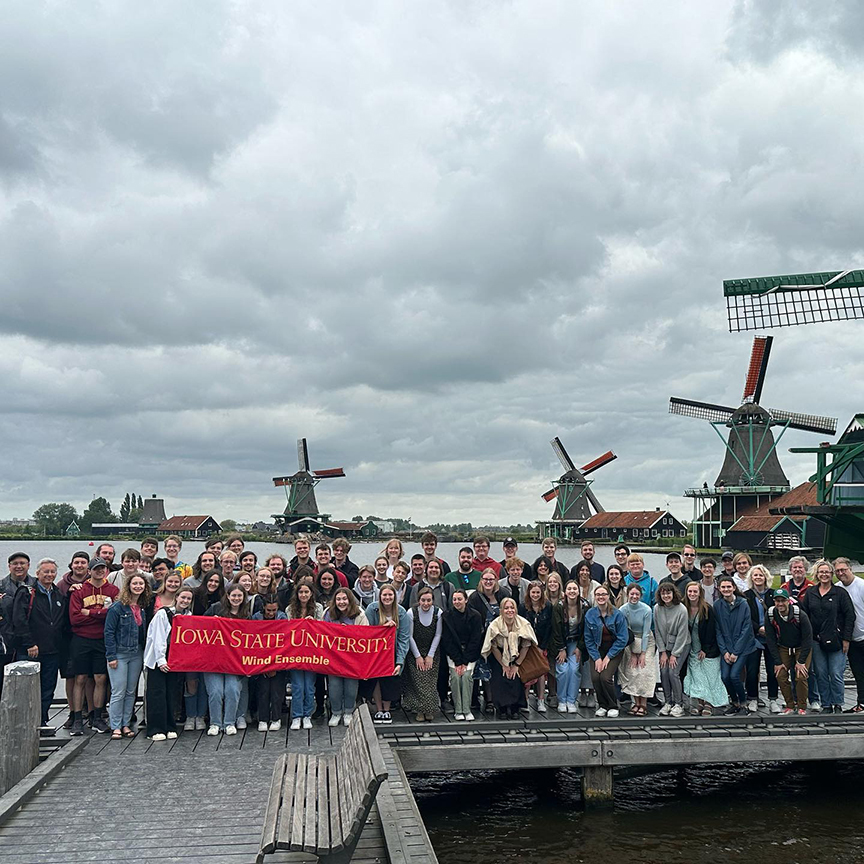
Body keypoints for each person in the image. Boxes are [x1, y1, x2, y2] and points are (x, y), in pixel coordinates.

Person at [12, 558, 66, 728]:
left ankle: (42, 720)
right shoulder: (27, 592)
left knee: (48, 688)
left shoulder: (58, 593)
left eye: (52, 572)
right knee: (28, 689)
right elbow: (19, 620)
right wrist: (29, 643)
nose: (49, 575)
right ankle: (26, 723)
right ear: (37, 573)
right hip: (31, 650)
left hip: (52, 650)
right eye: (46, 572)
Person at [68, 558, 119, 735]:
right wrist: (102, 615)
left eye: (102, 568)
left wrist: (91, 612)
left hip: (102, 639)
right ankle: (77, 718)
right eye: (95, 568)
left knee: (100, 678)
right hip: (81, 639)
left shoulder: (113, 590)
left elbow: (113, 614)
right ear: (89, 571)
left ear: (106, 570)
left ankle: (97, 717)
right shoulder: (80, 590)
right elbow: (75, 618)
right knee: (80, 678)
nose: (99, 571)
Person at [800, 559, 854, 714]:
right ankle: (826, 704)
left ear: (832, 574)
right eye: (821, 572)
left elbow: (850, 616)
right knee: (821, 673)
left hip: (837, 640)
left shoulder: (840, 593)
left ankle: (838, 703)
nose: (824, 574)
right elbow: (805, 616)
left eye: (827, 572)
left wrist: (846, 638)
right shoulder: (810, 593)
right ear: (817, 574)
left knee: (836, 673)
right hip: (816, 640)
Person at [104, 573, 152, 739]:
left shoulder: (142, 608)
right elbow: (108, 632)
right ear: (128, 586)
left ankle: (126, 724)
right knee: (118, 691)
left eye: (141, 584)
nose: (138, 586)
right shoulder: (117, 607)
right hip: (119, 653)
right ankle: (115, 726)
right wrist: (111, 656)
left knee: (131, 691)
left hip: (137, 653)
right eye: (135, 583)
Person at [144, 585, 194, 740]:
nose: (185, 601)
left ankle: (169, 726)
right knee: (157, 694)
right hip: (158, 659)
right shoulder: (163, 614)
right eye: (183, 597)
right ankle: (155, 729)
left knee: (172, 694)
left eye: (188, 598)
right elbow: (158, 638)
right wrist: (161, 660)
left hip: (175, 659)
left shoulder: (189, 615)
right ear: (176, 597)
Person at [203, 583, 249, 735]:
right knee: (215, 692)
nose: (236, 598)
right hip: (213, 660)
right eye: (233, 595)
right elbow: (198, 627)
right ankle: (215, 723)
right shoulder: (215, 609)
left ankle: (229, 722)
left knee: (233, 690)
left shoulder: (246, 615)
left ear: (243, 598)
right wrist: (211, 623)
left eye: (239, 596)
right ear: (228, 596)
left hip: (233, 662)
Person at [481, 597, 537, 719]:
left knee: (515, 678)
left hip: (518, 654)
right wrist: (504, 665)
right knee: (500, 676)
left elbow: (526, 645)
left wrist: (516, 665)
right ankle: (502, 708)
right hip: (499, 655)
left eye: (512, 608)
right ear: (501, 610)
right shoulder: (495, 625)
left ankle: (515, 708)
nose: (509, 610)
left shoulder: (523, 624)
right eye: (506, 608)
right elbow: (493, 647)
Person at [365, 584, 410, 724]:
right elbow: (367, 632)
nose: (387, 597)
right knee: (376, 680)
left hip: (393, 653)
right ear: (380, 596)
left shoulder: (401, 612)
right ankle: (379, 710)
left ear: (395, 597)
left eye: (390, 595)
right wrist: (382, 627)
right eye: (384, 595)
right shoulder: (372, 609)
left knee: (389, 681)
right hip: (375, 653)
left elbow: (404, 638)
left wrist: (399, 661)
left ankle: (387, 710)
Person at [323, 588, 368, 726]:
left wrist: (349, 632)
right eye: (338, 599)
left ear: (349, 600)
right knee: (334, 686)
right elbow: (321, 632)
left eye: (344, 599)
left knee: (351, 686)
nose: (341, 602)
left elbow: (366, 634)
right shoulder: (327, 613)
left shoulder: (360, 614)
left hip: (352, 658)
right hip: (333, 657)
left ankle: (349, 712)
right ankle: (336, 712)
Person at [765, 588, 813, 715]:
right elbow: (770, 639)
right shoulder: (770, 614)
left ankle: (802, 706)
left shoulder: (800, 615)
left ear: (788, 601)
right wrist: (777, 661)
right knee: (780, 675)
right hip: (784, 647)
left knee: (801, 675)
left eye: (783, 601)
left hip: (801, 647)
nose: (780, 604)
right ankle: (790, 705)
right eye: (777, 601)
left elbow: (808, 639)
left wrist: (801, 661)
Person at [714, 576, 757, 715]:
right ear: (719, 589)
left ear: (733, 587)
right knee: (725, 677)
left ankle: (743, 704)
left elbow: (746, 629)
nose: (726, 589)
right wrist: (724, 651)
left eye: (728, 587)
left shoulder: (743, 604)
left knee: (734, 676)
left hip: (743, 648)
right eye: (723, 587)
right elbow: (718, 630)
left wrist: (736, 652)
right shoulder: (717, 605)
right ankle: (735, 702)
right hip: (726, 648)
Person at [583, 586, 628, 718]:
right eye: (598, 595)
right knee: (596, 677)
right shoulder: (590, 614)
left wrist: (608, 657)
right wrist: (597, 658)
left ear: (608, 596)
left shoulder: (618, 614)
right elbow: (588, 639)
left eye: (603, 594)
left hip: (614, 649)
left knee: (605, 677)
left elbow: (622, 639)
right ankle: (602, 705)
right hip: (597, 649)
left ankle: (613, 705)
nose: (601, 597)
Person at [682, 582, 726, 716]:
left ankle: (709, 703)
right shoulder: (684, 607)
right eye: (690, 592)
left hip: (708, 648)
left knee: (710, 676)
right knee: (697, 677)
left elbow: (712, 631)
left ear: (700, 593)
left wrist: (705, 649)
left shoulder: (707, 609)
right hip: (692, 647)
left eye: (695, 592)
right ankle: (700, 701)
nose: (692, 594)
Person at [468, 569, 508, 713]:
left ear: (496, 580)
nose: (488, 582)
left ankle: (496, 700)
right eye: (485, 579)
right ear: (481, 580)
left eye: (491, 579)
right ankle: (479, 700)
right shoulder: (474, 597)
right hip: (481, 639)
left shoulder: (504, 594)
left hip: (500, 640)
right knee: (481, 670)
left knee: (496, 670)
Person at [286, 581, 324, 730]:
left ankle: (307, 714)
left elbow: (323, 628)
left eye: (306, 592)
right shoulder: (290, 609)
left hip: (312, 653)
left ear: (311, 594)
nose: (303, 595)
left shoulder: (318, 608)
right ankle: (296, 716)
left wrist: (312, 623)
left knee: (309, 686)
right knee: (297, 686)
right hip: (295, 653)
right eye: (301, 592)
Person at [441, 588, 483, 721]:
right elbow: (447, 641)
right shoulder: (446, 616)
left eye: (460, 599)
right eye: (454, 599)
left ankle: (467, 709)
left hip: (470, 653)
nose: (457, 602)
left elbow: (476, 640)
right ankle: (458, 710)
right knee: (455, 677)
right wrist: (458, 661)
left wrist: (465, 661)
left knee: (466, 677)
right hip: (454, 654)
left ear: (466, 600)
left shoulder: (475, 616)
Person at [744, 564, 780, 714]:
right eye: (755, 575)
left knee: (773, 671)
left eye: (760, 575)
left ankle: (773, 699)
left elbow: (779, 613)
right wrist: (758, 628)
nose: (758, 578)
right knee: (752, 671)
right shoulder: (746, 595)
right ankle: (752, 698)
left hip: (771, 638)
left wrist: (768, 628)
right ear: (751, 578)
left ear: (765, 577)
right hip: (754, 637)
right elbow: (745, 617)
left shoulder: (773, 594)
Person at [403, 587, 442, 722]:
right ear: (418, 600)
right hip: (415, 651)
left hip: (432, 651)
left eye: (429, 600)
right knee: (418, 682)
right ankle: (419, 710)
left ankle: (429, 709)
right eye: (423, 600)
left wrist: (430, 655)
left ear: (433, 601)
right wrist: (418, 656)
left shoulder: (438, 613)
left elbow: (438, 635)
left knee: (430, 682)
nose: (426, 603)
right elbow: (409, 636)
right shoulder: (411, 613)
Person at [549, 580, 588, 713]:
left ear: (578, 591)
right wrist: (561, 649)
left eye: (574, 589)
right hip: (561, 643)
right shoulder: (559, 607)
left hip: (576, 642)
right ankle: (562, 700)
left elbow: (586, 630)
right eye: (569, 589)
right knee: (562, 669)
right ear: (565, 592)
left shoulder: (584, 606)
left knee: (574, 669)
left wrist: (580, 647)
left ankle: (571, 700)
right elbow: (556, 630)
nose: (572, 591)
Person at [618, 584, 656, 716]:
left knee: (644, 670)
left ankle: (643, 704)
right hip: (630, 640)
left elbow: (646, 632)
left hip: (646, 640)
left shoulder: (646, 609)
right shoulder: (623, 609)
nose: (634, 597)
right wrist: (633, 653)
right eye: (631, 594)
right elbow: (626, 631)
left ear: (640, 596)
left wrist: (643, 653)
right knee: (632, 671)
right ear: (627, 594)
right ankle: (635, 702)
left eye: (637, 594)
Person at [251, 595, 288, 732]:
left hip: (279, 659)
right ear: (263, 609)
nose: (271, 613)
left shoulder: (282, 618)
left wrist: (275, 665)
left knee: (277, 692)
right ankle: (263, 718)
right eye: (268, 611)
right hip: (261, 660)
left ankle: (276, 718)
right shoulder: (255, 618)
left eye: (274, 610)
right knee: (263, 691)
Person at [654, 583, 690, 717]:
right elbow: (657, 631)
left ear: (673, 594)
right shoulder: (657, 608)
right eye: (663, 593)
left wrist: (675, 654)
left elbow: (682, 634)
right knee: (663, 671)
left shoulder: (682, 609)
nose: (666, 596)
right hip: (665, 646)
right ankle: (668, 702)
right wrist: (662, 652)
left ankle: (679, 703)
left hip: (682, 645)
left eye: (668, 593)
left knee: (673, 672)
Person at [0, 552, 35, 686]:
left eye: (22, 563)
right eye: (15, 564)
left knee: (27, 684)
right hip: (6, 641)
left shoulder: (37, 585)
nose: (19, 566)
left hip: (29, 641)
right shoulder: (1, 586)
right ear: (9, 566)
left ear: (28, 565)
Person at [835, 558, 864, 713]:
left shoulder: (861, 585)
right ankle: (861, 703)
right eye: (838, 571)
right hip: (851, 638)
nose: (841, 573)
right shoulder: (837, 588)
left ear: (850, 569)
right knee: (858, 672)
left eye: (843, 570)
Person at [518, 581, 552, 712]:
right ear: (529, 593)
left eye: (538, 592)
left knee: (541, 671)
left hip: (542, 644)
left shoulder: (547, 606)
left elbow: (549, 627)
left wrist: (542, 646)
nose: (535, 595)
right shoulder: (523, 607)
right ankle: (525, 700)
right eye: (533, 592)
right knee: (528, 671)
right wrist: (528, 645)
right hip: (527, 644)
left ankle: (541, 700)